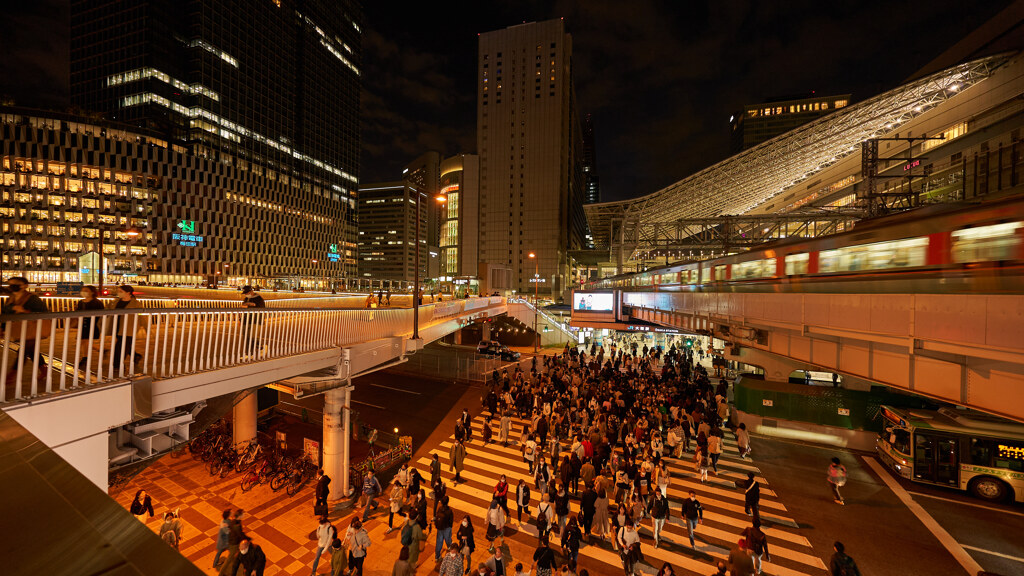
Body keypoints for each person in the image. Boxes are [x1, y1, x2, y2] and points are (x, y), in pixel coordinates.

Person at [1, 277, 50, 385]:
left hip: (33, 329)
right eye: (10, 284)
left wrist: (25, 311)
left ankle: (11, 375)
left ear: (25, 286)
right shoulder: (12, 297)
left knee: (23, 351)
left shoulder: (32, 299)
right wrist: (3, 327)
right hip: (21, 329)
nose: (12, 286)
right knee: (31, 352)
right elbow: (5, 312)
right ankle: (45, 371)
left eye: (16, 284)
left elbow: (44, 313)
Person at [109, 284, 143, 370]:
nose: (118, 293)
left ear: (128, 293)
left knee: (120, 347)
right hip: (117, 327)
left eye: (121, 291)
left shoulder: (136, 304)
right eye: (118, 291)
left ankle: (118, 365)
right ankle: (136, 356)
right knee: (125, 345)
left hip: (129, 328)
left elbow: (141, 317)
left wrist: (143, 328)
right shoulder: (116, 301)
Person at [74, 285, 104, 370]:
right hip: (82, 324)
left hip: (92, 324)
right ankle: (100, 350)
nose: (83, 292)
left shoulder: (97, 302)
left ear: (92, 292)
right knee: (84, 341)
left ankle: (85, 359)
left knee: (85, 341)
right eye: (82, 290)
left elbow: (101, 314)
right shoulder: (81, 302)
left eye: (86, 290)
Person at [240, 285, 266, 355]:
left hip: (255, 320)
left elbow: (261, 308)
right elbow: (243, 306)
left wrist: (250, 305)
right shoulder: (246, 299)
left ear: (251, 292)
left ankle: (261, 347)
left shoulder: (259, 299)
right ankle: (249, 353)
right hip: (246, 320)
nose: (246, 295)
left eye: (247, 293)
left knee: (253, 336)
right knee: (246, 338)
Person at [434, 495, 454, 562]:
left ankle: (437, 556)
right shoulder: (449, 511)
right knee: (448, 540)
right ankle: (452, 552)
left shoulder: (440, 509)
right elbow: (451, 521)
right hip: (446, 528)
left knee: (439, 542)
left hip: (440, 528)